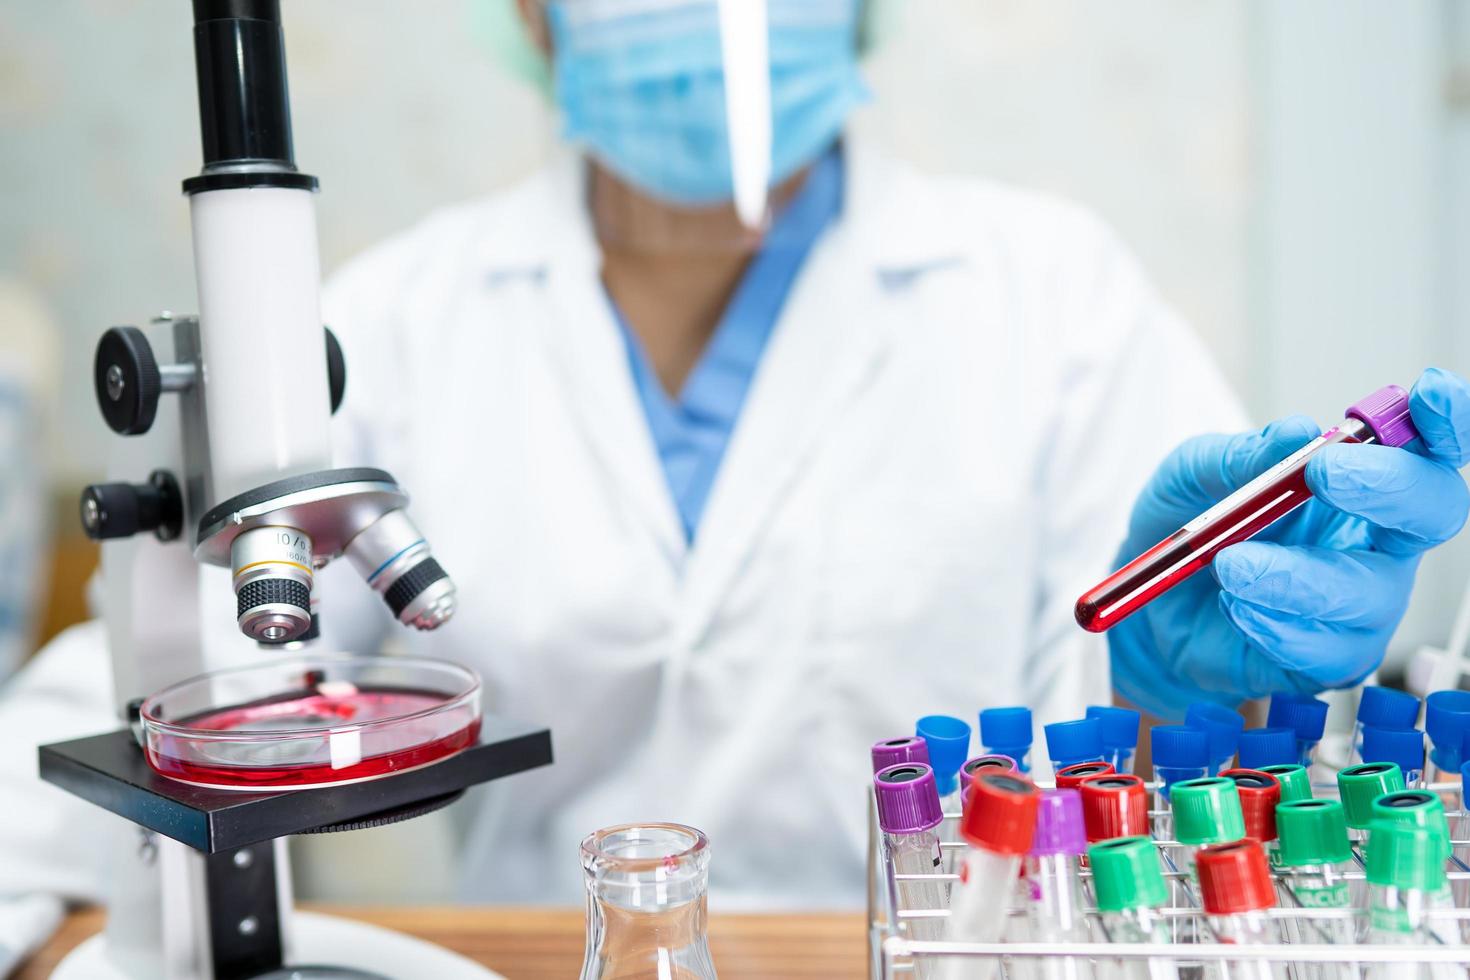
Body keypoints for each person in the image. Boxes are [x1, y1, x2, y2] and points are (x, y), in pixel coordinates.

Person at [2, 0, 1468, 925]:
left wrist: (1177, 682)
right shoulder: (397, 315)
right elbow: (169, 685)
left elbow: (1182, 719)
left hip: (948, 951)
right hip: (567, 954)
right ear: (533, 10)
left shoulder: (1046, 291)